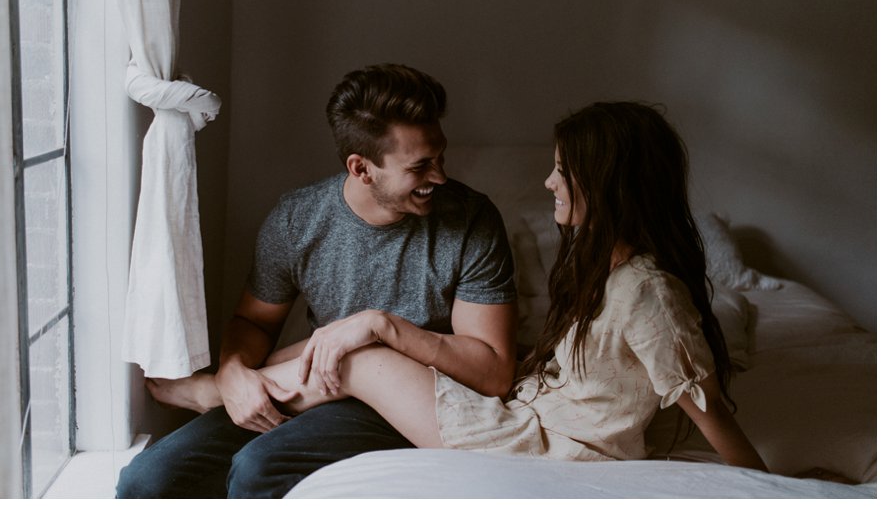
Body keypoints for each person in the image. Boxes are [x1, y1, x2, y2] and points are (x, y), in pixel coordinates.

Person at [149, 101, 768, 472]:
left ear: (607, 186)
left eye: (562, 171)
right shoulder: (609, 275)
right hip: (530, 415)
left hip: (548, 447)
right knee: (360, 346)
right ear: (360, 167)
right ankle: (227, 385)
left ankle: (212, 391)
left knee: (363, 352)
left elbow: (707, 410)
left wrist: (778, 488)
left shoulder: (649, 293)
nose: (549, 183)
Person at [115, 64, 518, 498]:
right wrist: (233, 373)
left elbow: (493, 371)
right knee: (147, 480)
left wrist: (381, 325)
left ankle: (212, 394)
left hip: (406, 399)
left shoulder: (472, 219)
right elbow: (254, 323)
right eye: (420, 167)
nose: (439, 177)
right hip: (307, 381)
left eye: (440, 157)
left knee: (257, 468)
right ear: (361, 168)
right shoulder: (297, 220)